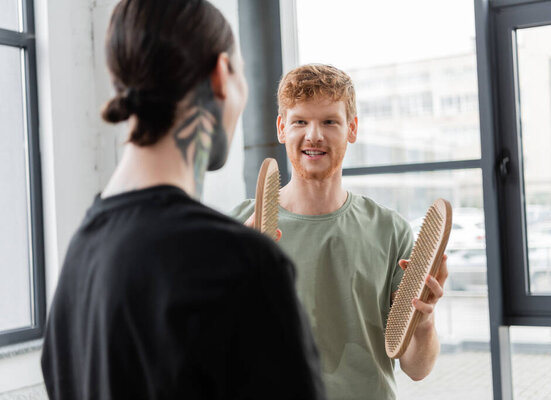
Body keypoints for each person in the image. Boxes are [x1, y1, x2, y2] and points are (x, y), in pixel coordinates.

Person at [41, 2, 325, 399]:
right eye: (242, 75)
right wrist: (238, 259)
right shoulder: (244, 266)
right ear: (222, 74)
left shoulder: (80, 257)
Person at [231, 64, 448, 400]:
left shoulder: (390, 231)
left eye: (329, 121)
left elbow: (417, 369)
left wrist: (423, 322)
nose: (314, 135)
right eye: (300, 121)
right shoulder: (241, 227)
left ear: (352, 128)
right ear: (281, 128)